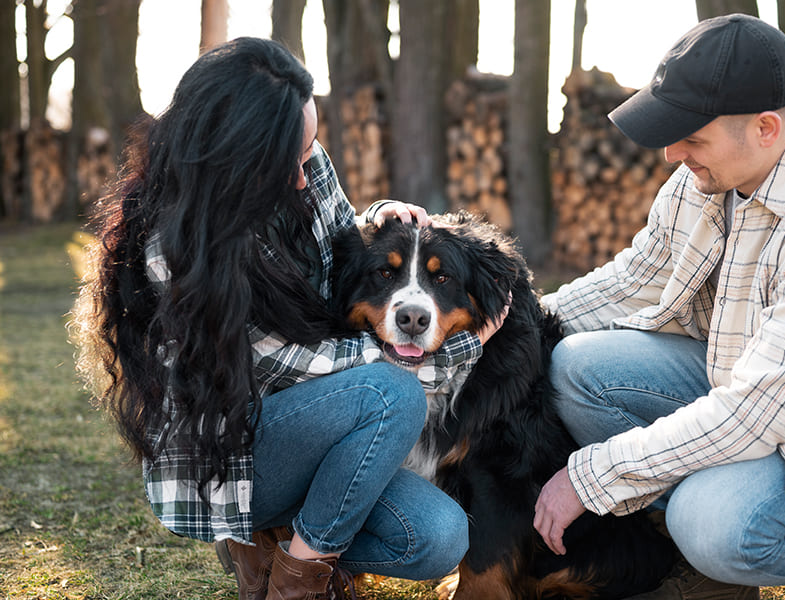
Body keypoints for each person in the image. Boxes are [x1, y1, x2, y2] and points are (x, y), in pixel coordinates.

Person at [71, 37, 504, 600]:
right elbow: (297, 367)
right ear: (235, 156)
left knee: (438, 539)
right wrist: (463, 348)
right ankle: (297, 579)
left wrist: (379, 219)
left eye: (308, 152)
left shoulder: (299, 161)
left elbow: (337, 242)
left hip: (316, 425)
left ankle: (278, 548)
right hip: (236, 456)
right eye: (288, 163)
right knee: (392, 393)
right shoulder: (173, 250)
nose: (304, 176)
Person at [533, 13, 785, 600]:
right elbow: (636, 280)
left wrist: (594, 475)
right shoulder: (710, 174)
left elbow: (756, 412)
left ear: (765, 128)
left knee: (713, 525)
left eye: (692, 137)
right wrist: (511, 320)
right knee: (576, 367)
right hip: (737, 380)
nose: (673, 153)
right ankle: (707, 576)